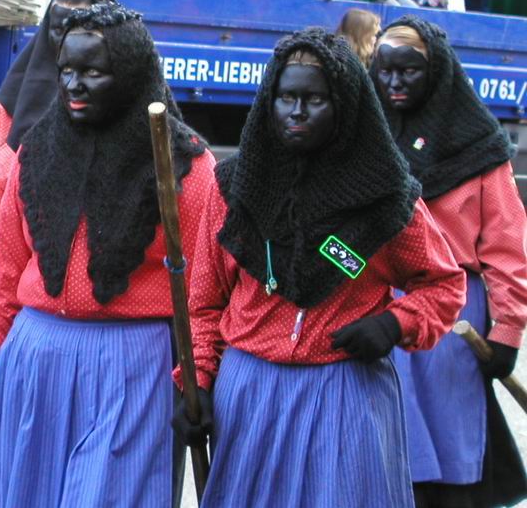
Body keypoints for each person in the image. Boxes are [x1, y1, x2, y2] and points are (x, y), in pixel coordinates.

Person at [171, 27, 466, 507]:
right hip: (251, 396)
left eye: (315, 99)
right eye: (286, 97)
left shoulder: (385, 197)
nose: (298, 112)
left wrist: (395, 324)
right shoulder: (234, 189)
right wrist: (197, 381)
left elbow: (444, 286)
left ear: (346, 107)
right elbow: (203, 303)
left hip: (346, 394)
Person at [0, 3, 215, 507]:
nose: (74, 84)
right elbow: (5, 272)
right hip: (34, 364)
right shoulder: (35, 153)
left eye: (93, 72)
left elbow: (207, 290)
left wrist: (199, 378)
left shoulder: (186, 164)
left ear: (131, 72)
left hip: (134, 372)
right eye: (66, 70)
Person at [372, 15, 527, 508]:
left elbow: (507, 248)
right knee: (387, 442)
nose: (394, 83)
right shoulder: (364, 139)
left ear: (436, 72)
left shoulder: (479, 149)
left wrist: (507, 332)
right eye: (385, 71)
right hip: (379, 308)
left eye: (409, 72)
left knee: (451, 437)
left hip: (455, 317)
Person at [0, 0, 115, 253]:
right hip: (35, 269)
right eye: (63, 1)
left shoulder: (134, 102)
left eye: (80, 2)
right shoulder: (23, 97)